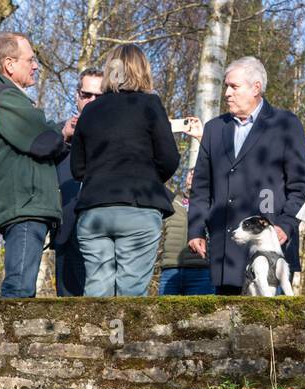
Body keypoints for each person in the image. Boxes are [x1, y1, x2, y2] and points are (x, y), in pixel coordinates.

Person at [187, 57, 305, 295]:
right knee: (229, 326)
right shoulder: (214, 129)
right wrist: (195, 230)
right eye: (226, 86)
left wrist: (286, 224)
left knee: (268, 328)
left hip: (271, 249)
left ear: (256, 88)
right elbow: (201, 187)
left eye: (234, 86)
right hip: (225, 251)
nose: (227, 93)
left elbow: (301, 186)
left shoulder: (285, 124)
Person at [70, 44, 180, 297]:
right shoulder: (150, 104)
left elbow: (77, 168)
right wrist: (149, 179)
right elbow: (169, 158)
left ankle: (96, 337)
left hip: (94, 209)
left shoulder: (90, 111)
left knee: (97, 291)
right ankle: (124, 337)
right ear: (142, 71)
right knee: (131, 295)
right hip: (138, 206)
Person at [0, 32, 76, 298]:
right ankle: (8, 339)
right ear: (9, 64)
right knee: (18, 288)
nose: (35, 66)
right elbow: (41, 140)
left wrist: (61, 131)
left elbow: (37, 135)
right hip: (24, 205)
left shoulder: (5, 97)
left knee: (23, 285)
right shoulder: (3, 97)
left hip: (25, 203)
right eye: (30, 60)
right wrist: (57, 134)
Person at [54, 67, 103, 296]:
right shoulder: (59, 134)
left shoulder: (118, 136)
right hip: (66, 234)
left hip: (103, 235)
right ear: (77, 96)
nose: (92, 101)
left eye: (99, 96)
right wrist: (62, 138)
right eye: (86, 95)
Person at [159, 171, 215, 295]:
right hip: (170, 269)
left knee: (202, 314)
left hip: (201, 271)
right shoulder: (173, 200)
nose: (192, 177)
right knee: (165, 313)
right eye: (189, 174)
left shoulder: (212, 203)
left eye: (196, 173)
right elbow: (155, 183)